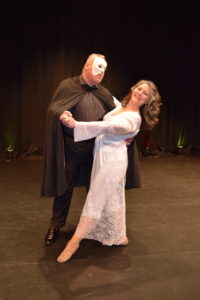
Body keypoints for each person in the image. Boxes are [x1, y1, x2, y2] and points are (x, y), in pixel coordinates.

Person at [41, 53, 141, 246]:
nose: (101, 72)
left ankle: (94, 228)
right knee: (64, 188)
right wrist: (61, 114)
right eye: (98, 67)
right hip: (71, 148)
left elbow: (122, 114)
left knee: (96, 190)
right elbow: (53, 108)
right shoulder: (67, 86)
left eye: (104, 69)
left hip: (96, 149)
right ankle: (55, 225)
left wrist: (128, 135)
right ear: (86, 66)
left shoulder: (103, 91)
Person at [57, 79, 162, 263]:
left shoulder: (132, 119)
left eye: (145, 93)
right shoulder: (120, 107)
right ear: (133, 88)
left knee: (95, 200)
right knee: (113, 198)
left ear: (148, 101)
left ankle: (74, 243)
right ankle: (119, 236)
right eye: (139, 88)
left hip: (113, 163)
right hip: (103, 157)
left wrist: (75, 125)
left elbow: (106, 126)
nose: (140, 93)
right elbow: (109, 97)